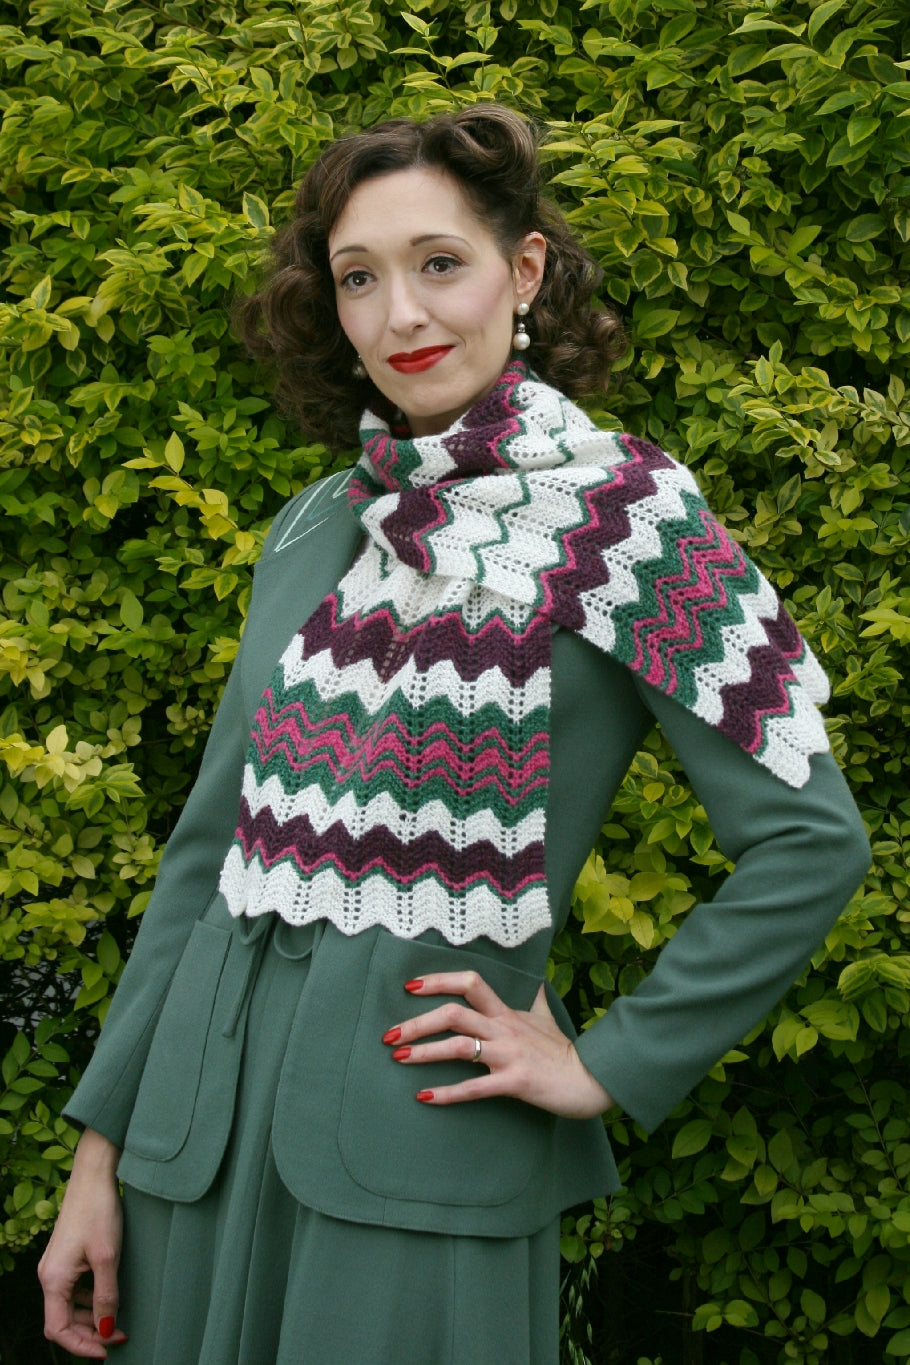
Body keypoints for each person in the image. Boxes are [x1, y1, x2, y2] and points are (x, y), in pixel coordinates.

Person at [39, 104, 870, 1364]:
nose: (400, 316)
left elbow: (810, 842)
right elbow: (209, 858)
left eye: (440, 263)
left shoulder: (626, 523)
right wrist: (98, 1155)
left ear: (522, 271)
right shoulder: (320, 522)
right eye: (358, 279)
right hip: (190, 1150)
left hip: (410, 1152)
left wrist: (612, 1062)